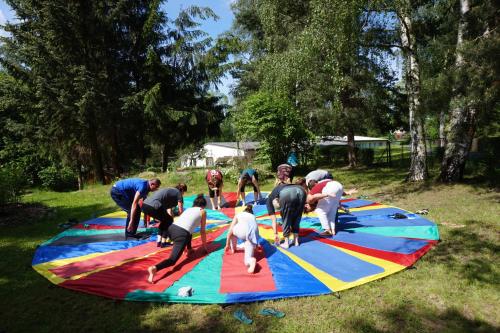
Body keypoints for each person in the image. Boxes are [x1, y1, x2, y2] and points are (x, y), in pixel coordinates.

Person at [147, 194, 209, 284]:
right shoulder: (203, 211)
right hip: (181, 234)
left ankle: (189, 249)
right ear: (203, 206)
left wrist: (189, 247)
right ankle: (155, 268)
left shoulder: (188, 209)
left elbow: (189, 229)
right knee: (172, 260)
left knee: (188, 232)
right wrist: (204, 246)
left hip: (171, 229)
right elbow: (202, 231)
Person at [266, 182, 307, 248]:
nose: (279, 208)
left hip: (287, 192)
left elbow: (274, 219)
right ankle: (296, 240)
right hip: (301, 190)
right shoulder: (279, 189)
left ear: (276, 199)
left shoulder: (269, 201)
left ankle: (286, 242)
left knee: (285, 217)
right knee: (298, 215)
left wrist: (275, 234)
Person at [224, 204, 260, 274]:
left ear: (244, 211)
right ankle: (251, 260)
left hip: (241, 231)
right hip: (252, 236)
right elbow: (256, 232)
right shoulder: (253, 217)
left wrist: (227, 244)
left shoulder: (239, 214)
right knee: (247, 260)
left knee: (232, 232)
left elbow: (230, 231)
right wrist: (256, 246)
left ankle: (233, 248)